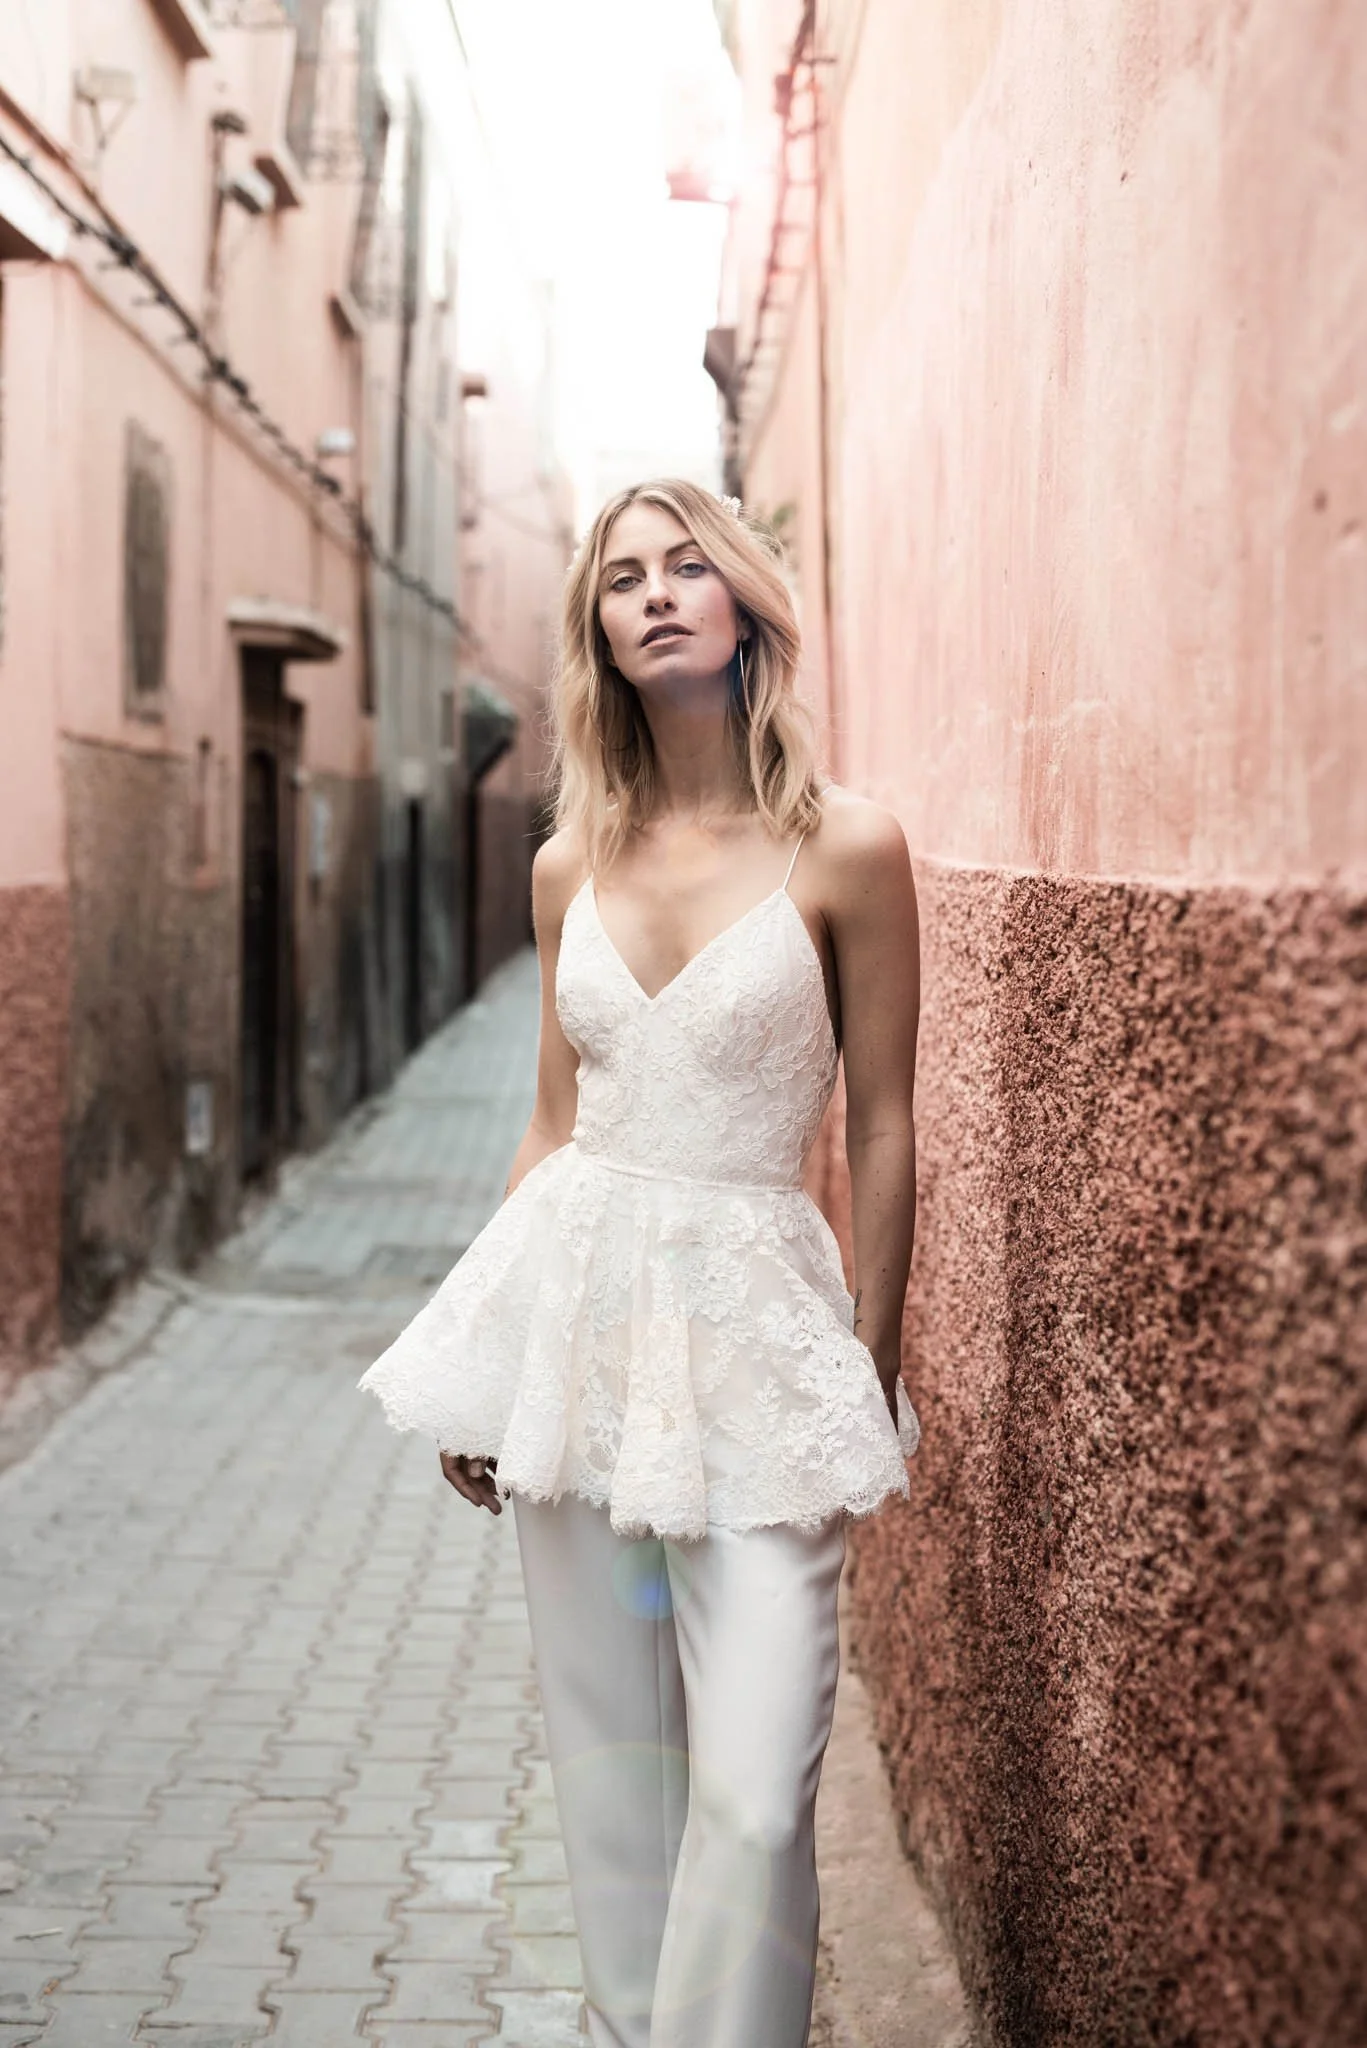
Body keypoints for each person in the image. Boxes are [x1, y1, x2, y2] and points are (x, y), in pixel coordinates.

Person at [358, 477, 921, 2048]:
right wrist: (485, 1367)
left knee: (753, 1791)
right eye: (624, 578)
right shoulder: (567, 866)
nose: (658, 593)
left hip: (763, 1352)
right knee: (616, 1794)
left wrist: (867, 1366)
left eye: (688, 567)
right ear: (598, 631)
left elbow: (884, 1126)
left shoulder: (847, 848)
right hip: (582, 1346)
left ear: (745, 605)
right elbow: (554, 1126)